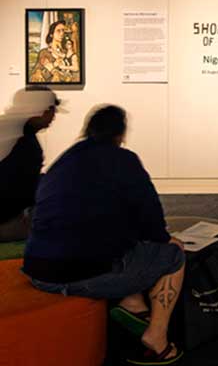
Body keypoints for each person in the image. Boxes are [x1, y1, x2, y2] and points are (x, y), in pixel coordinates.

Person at [23, 105, 185, 365]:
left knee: (116, 243)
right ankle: (157, 336)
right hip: (79, 276)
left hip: (36, 271)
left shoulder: (66, 159)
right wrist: (166, 239)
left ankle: (132, 304)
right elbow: (151, 217)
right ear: (120, 134)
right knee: (174, 256)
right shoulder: (124, 160)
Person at [0, 88, 60, 242]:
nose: (53, 117)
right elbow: (19, 187)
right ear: (42, 111)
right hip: (7, 219)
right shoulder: (22, 139)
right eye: (52, 110)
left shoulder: (11, 128)